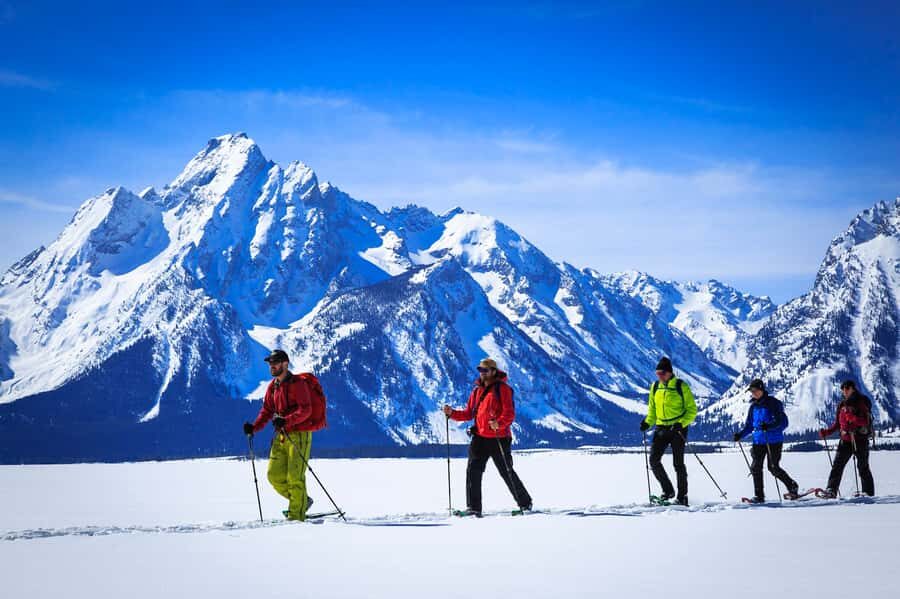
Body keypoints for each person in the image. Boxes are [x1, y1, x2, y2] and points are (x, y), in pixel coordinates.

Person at [443, 358, 532, 516]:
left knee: (506, 471)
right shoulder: (477, 391)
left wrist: (499, 423)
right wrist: (452, 414)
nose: (482, 373)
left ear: (493, 371)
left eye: (485, 370)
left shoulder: (503, 389)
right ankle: (473, 508)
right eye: (480, 370)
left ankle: (525, 503)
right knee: (473, 471)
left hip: (499, 437)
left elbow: (509, 413)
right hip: (480, 437)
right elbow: (469, 413)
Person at [243, 349, 315, 521]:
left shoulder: (298, 384)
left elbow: (306, 410)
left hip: (299, 435)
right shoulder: (272, 387)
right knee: (274, 475)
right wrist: (254, 427)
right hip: (281, 435)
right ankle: (302, 501)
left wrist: (286, 420)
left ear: (285, 364)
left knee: (294, 477)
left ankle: (296, 518)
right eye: (270, 363)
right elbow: (267, 410)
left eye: (275, 362)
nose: (272, 366)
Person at [639, 356, 697, 506]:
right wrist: (647, 422)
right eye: (657, 373)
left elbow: (692, 410)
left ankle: (682, 496)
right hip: (660, 428)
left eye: (662, 373)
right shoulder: (655, 387)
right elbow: (653, 410)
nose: (659, 376)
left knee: (678, 464)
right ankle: (668, 490)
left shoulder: (681, 386)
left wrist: (681, 423)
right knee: (653, 460)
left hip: (678, 429)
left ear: (670, 373)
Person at [732, 379, 799, 502]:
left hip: (773, 441)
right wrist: (740, 435)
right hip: (758, 441)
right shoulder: (753, 407)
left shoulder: (774, 403)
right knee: (755, 468)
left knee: (773, 467)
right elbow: (749, 426)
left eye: (755, 390)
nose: (753, 393)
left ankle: (792, 485)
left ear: (762, 389)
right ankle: (759, 496)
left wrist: (769, 426)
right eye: (751, 391)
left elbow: (783, 422)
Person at [818, 380, 875, 498]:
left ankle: (868, 493)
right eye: (843, 389)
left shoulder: (861, 402)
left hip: (860, 439)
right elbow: (838, 424)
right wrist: (827, 432)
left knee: (863, 467)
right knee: (837, 466)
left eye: (847, 388)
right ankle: (831, 490)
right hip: (845, 440)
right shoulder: (842, 405)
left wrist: (852, 418)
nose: (844, 391)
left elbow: (865, 421)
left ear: (853, 388)